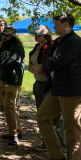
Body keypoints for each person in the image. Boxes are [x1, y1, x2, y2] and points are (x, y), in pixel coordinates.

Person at [37, 13, 81, 160]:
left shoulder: (74, 41)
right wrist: (48, 62)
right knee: (42, 117)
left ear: (66, 24)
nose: (54, 27)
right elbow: (46, 61)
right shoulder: (59, 41)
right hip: (58, 88)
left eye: (56, 24)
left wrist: (48, 62)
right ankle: (57, 157)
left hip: (72, 90)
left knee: (71, 127)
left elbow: (54, 62)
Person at [28, 25, 66, 153]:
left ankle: (61, 147)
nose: (35, 36)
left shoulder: (51, 47)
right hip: (38, 83)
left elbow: (43, 67)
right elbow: (30, 66)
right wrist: (36, 67)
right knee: (41, 115)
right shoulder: (36, 47)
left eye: (38, 34)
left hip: (49, 84)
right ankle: (47, 144)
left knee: (54, 117)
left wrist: (37, 67)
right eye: (35, 34)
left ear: (45, 36)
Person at [0, 26, 25, 145]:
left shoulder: (18, 47)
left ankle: (13, 135)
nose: (4, 37)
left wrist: (1, 64)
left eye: (7, 35)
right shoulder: (3, 46)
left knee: (8, 107)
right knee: (10, 108)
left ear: (13, 36)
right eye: (3, 35)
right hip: (3, 79)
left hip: (13, 80)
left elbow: (10, 63)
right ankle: (18, 131)